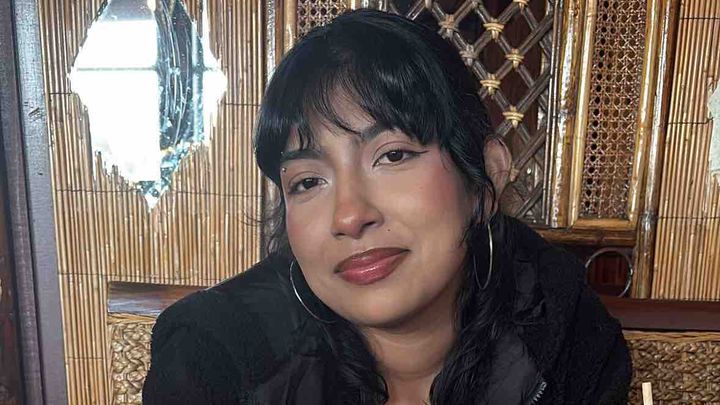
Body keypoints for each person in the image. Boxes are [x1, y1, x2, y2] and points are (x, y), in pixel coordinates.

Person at [142, 9, 632, 404]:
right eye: (308, 181)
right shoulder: (214, 358)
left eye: (392, 155)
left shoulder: (567, 336)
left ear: (486, 177)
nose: (349, 216)